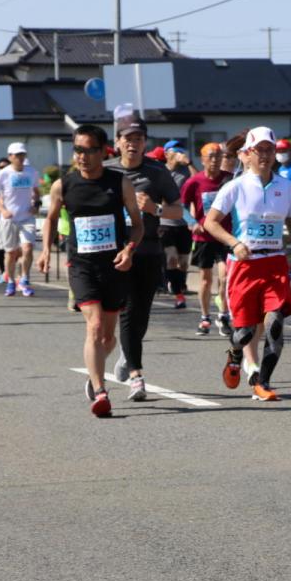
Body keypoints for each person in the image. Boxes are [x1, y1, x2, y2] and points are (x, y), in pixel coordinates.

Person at [38, 124, 142, 417]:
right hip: (81, 265)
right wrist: (45, 250)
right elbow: (51, 218)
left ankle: (92, 372)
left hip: (114, 265)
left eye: (88, 150)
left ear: (102, 151)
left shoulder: (119, 183)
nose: (82, 156)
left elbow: (137, 223)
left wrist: (128, 250)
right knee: (94, 326)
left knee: (108, 338)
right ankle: (100, 391)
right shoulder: (64, 185)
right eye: (78, 150)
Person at [204, 127, 291, 401]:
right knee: (244, 333)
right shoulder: (235, 187)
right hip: (244, 264)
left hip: (274, 262)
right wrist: (235, 243)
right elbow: (210, 222)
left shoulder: (286, 187)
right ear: (248, 154)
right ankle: (235, 353)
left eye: (269, 149)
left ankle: (262, 382)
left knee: (275, 323)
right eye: (259, 150)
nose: (265, 155)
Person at [105, 104, 185, 402]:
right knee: (126, 312)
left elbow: (178, 210)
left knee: (141, 316)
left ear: (144, 143)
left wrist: (155, 209)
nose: (133, 143)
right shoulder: (109, 170)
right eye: (127, 138)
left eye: (138, 138)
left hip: (149, 250)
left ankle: (128, 354)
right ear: (118, 142)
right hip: (116, 253)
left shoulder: (156, 171)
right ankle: (137, 375)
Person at [181, 143, 233, 337]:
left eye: (218, 156)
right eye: (210, 156)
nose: (215, 160)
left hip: (224, 234)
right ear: (202, 159)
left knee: (226, 276)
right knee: (205, 280)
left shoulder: (229, 180)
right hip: (203, 236)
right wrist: (192, 222)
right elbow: (182, 206)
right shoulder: (194, 182)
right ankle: (204, 317)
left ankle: (224, 315)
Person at [0, 142, 42, 297]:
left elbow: (36, 191)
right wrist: (3, 210)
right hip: (9, 219)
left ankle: (24, 280)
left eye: (22, 154)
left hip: (27, 217)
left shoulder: (31, 172)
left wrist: (36, 205)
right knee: (11, 253)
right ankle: (11, 281)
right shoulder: (3, 173)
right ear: (10, 157)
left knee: (28, 248)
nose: (20, 158)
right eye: (17, 155)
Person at [161, 140, 194, 309]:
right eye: (175, 151)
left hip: (184, 221)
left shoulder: (185, 171)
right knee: (171, 258)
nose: (179, 153)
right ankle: (177, 293)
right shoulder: (160, 171)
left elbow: (199, 182)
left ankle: (179, 285)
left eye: (181, 150)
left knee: (183, 261)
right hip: (165, 222)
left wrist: (189, 163)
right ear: (167, 154)